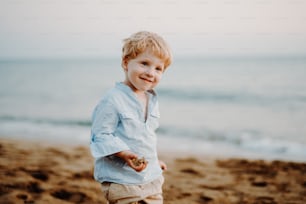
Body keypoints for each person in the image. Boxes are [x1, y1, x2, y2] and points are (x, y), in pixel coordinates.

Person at [90, 31, 172, 204]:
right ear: (126, 63)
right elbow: (100, 136)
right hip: (122, 181)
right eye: (144, 63)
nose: (151, 73)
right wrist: (124, 153)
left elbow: (144, 136)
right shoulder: (112, 99)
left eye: (158, 68)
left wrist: (153, 160)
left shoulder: (151, 99)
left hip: (151, 179)